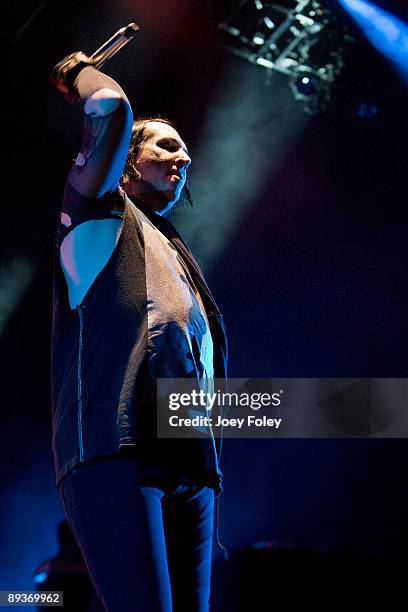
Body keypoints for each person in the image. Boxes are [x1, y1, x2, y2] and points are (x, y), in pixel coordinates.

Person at [50, 51, 228, 612]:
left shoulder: (176, 254)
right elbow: (110, 106)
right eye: (166, 147)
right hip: (117, 451)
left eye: (184, 151)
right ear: (126, 162)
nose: (186, 157)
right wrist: (75, 70)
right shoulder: (97, 220)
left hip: (190, 462)